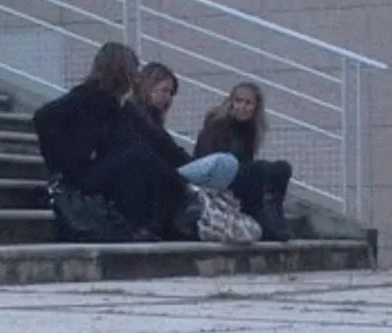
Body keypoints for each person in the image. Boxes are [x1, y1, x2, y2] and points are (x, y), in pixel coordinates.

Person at [33, 42, 201, 241]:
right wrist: (63, 163)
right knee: (136, 158)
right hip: (80, 175)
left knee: (141, 158)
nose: (136, 77)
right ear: (120, 71)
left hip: (99, 169)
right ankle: (169, 213)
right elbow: (43, 117)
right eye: (133, 70)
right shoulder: (87, 96)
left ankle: (167, 216)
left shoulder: (113, 105)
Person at [193, 82, 292, 241]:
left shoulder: (249, 130)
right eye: (238, 101)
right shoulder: (217, 124)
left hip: (237, 177)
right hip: (216, 181)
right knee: (260, 169)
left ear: (256, 107)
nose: (242, 107)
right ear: (231, 102)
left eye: (248, 103)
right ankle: (263, 217)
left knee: (283, 168)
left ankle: (275, 215)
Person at [127, 62, 239, 191]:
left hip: (168, 174)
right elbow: (167, 152)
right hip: (157, 178)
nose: (168, 98)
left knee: (228, 165)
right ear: (148, 87)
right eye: (164, 90)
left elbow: (174, 153)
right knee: (224, 162)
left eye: (171, 93)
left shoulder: (153, 120)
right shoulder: (136, 116)